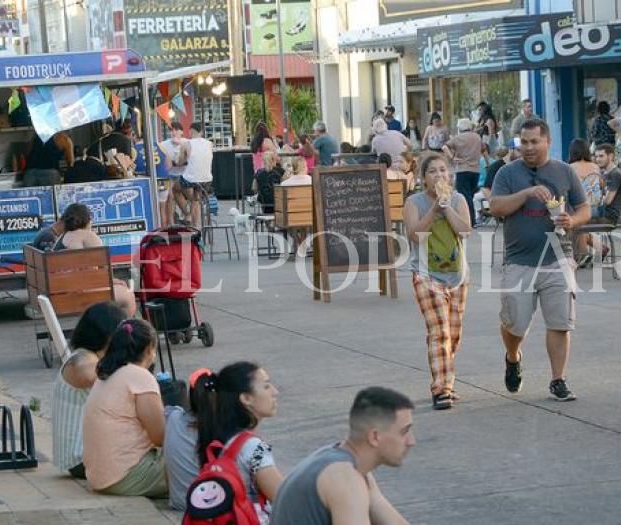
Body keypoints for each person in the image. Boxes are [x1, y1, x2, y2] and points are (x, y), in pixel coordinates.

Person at [489, 118, 590, 401]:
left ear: (548, 142)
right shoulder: (507, 174)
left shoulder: (564, 171)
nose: (528, 147)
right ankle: (513, 356)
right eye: (524, 142)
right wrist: (527, 193)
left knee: (560, 322)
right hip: (519, 261)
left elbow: (584, 208)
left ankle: (558, 380)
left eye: (534, 141)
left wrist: (572, 219)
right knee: (515, 324)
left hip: (559, 257)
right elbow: (496, 207)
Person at [270, 387, 414, 524]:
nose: (411, 441)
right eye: (404, 432)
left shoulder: (349, 467)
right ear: (375, 436)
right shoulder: (344, 478)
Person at [165, 362, 283, 516]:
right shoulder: (252, 447)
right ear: (246, 398)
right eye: (266, 386)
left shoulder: (216, 438)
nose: (275, 392)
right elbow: (285, 497)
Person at [404, 155, 472, 409]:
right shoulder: (414, 202)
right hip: (425, 274)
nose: (439, 175)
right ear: (423, 178)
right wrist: (434, 210)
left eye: (443, 170)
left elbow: (465, 231)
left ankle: (446, 379)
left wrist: (447, 208)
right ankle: (441, 389)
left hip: (457, 275)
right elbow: (415, 236)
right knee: (439, 331)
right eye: (432, 171)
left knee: (452, 334)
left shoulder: (458, 199)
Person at [82, 319, 167, 497]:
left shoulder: (106, 374)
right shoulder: (140, 376)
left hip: (100, 477)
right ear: (149, 349)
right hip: (126, 476)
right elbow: (160, 436)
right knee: (196, 464)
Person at [52, 301, 126, 479]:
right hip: (81, 457)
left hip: (81, 455)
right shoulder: (83, 361)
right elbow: (88, 374)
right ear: (107, 336)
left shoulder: (85, 355)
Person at [52, 203, 137, 316]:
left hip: (63, 294)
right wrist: (113, 281)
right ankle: (120, 330)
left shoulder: (60, 238)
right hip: (84, 294)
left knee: (119, 287)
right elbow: (104, 271)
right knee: (128, 295)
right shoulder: (88, 236)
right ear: (87, 220)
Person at [582, 143, 621, 264]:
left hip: (608, 216)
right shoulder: (604, 174)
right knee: (571, 220)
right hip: (600, 212)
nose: (598, 159)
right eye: (596, 156)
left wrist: (594, 197)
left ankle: (589, 252)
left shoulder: (615, 175)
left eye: (601, 156)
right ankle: (591, 252)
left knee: (574, 223)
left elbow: (607, 200)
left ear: (611, 156)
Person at [442, 118, 483, 227]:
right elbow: (483, 149)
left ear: (460, 128)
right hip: (476, 170)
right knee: (470, 195)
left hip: (462, 169)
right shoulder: (477, 137)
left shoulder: (457, 138)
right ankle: (472, 219)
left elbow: (444, 147)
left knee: (464, 197)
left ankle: (469, 220)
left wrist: (452, 157)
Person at [568, 139, 603, 267]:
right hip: (596, 208)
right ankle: (599, 247)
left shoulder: (570, 168)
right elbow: (601, 185)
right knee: (578, 224)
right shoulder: (595, 167)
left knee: (571, 221)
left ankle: (582, 255)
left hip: (581, 209)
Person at [180, 122, 215, 227]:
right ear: (202, 132)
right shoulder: (210, 144)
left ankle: (188, 215)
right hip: (206, 179)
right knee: (196, 199)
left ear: (190, 131)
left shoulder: (186, 144)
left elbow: (179, 162)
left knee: (175, 189)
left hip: (190, 180)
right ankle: (196, 224)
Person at [159, 121, 190, 226]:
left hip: (185, 174)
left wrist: (183, 162)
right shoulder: (164, 144)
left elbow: (191, 159)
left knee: (180, 193)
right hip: (170, 175)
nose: (174, 132)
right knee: (170, 195)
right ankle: (172, 222)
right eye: (172, 130)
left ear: (182, 132)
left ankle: (188, 215)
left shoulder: (187, 142)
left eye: (177, 130)